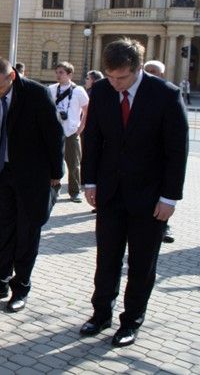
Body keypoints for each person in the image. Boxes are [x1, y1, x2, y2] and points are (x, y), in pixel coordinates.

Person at [80, 39, 188, 347]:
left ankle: (131, 321)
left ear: (138, 69)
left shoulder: (165, 95)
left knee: (141, 264)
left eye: (122, 78)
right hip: (111, 194)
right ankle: (100, 315)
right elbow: (95, 139)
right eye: (110, 76)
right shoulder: (100, 91)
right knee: (107, 259)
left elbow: (176, 150)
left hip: (151, 198)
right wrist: (90, 182)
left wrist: (170, 198)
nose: (115, 84)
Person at [0, 56, 64, 313]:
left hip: (32, 175)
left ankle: (20, 288)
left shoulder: (36, 93)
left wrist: (56, 173)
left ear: (11, 76)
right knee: (5, 231)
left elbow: (54, 134)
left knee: (27, 234)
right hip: (2, 173)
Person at [141, 61, 175, 244]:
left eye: (154, 72)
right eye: (147, 71)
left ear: (162, 75)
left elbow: (176, 149)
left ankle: (164, 226)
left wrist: (171, 197)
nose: (150, 75)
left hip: (157, 169)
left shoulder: (169, 95)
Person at [47, 62, 89, 203]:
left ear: (70, 74)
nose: (58, 75)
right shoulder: (51, 89)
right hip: (54, 132)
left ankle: (74, 192)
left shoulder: (79, 90)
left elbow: (87, 111)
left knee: (74, 164)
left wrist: (80, 128)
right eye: (57, 72)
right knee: (53, 163)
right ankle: (54, 188)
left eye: (61, 72)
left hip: (71, 132)